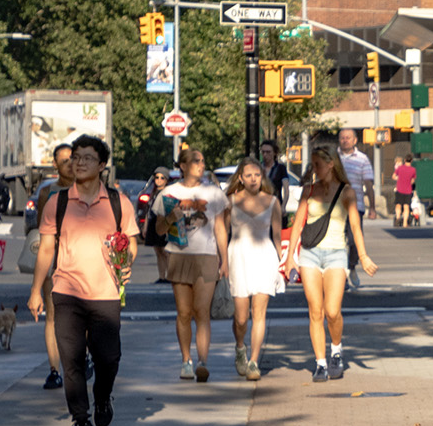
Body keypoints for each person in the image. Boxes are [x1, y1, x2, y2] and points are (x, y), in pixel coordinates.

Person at [26, 134, 134, 426]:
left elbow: (130, 242)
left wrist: (126, 260)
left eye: (87, 158)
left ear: (102, 165)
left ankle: (102, 396)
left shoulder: (118, 202)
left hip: (106, 291)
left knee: (109, 358)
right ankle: (80, 419)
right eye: (76, 157)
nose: (79, 163)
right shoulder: (57, 202)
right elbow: (46, 248)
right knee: (71, 360)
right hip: (66, 291)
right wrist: (36, 290)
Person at [285, 142, 377, 381]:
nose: (314, 169)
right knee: (315, 311)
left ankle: (336, 350)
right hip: (310, 254)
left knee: (332, 312)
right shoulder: (308, 190)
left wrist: (363, 256)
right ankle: (321, 363)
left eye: (317, 164)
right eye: (313, 164)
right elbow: (298, 224)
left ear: (330, 164)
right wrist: (289, 258)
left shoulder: (347, 192)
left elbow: (355, 226)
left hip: (336, 254)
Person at [159, 149, 227, 382]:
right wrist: (170, 217)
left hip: (206, 255)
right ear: (183, 166)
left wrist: (225, 259)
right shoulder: (169, 193)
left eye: (203, 161)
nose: (201, 164)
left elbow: (220, 227)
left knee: (202, 311)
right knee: (184, 312)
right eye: (196, 161)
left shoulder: (213, 192)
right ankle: (186, 360)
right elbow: (158, 229)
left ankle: (202, 362)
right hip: (179, 254)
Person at [222, 164, 285, 378]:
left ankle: (254, 362)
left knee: (259, 313)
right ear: (240, 178)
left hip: (264, 257)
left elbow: (277, 236)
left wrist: (284, 263)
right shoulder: (231, 201)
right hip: (238, 258)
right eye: (248, 175)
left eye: (257, 175)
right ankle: (240, 348)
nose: (253, 179)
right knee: (241, 318)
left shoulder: (272, 201)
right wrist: (221, 261)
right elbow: (222, 232)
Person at [26, 142, 75, 391]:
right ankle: (55, 370)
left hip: (81, 261)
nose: (70, 165)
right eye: (64, 161)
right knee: (53, 316)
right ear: (55, 165)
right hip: (55, 259)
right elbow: (42, 230)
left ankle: (79, 361)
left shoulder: (89, 190)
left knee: (82, 315)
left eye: (72, 159)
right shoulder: (48, 192)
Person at [337, 127, 376, 218]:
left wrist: (372, 208)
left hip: (356, 207)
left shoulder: (362, 159)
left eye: (348, 138)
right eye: (342, 138)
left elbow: (368, 184)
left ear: (355, 140)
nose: (345, 141)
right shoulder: (332, 157)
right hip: (335, 208)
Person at [390, 149, 418, 227]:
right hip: (408, 190)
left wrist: (399, 179)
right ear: (411, 161)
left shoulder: (399, 168)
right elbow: (413, 180)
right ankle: (405, 222)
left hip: (399, 189)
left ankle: (398, 218)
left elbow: (393, 176)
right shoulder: (413, 170)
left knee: (398, 205)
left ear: (405, 160)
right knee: (406, 207)